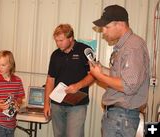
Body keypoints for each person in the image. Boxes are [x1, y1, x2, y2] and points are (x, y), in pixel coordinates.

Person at [90, 5, 150, 137]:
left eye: (106, 27)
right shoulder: (124, 46)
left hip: (122, 118)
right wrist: (102, 69)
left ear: (120, 24)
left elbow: (128, 86)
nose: (103, 31)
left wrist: (99, 76)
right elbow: (119, 77)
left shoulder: (133, 47)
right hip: (118, 117)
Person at [44, 24, 94, 137]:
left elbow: (94, 75)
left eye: (61, 40)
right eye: (56, 41)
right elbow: (50, 80)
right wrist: (46, 104)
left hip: (77, 105)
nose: (58, 43)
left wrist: (78, 86)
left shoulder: (85, 50)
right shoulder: (55, 55)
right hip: (57, 104)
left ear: (70, 38)